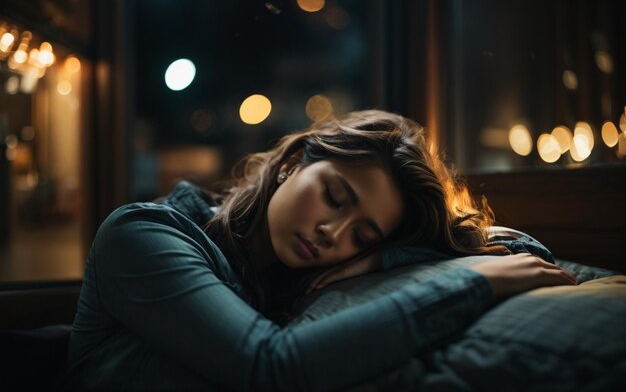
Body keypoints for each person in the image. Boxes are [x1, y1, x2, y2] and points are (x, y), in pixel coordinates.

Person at [64, 110, 577, 392]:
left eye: (362, 234)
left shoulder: (292, 283)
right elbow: (269, 367)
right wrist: (480, 283)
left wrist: (381, 259)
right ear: (291, 162)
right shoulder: (143, 236)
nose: (335, 234)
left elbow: (521, 248)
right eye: (335, 196)